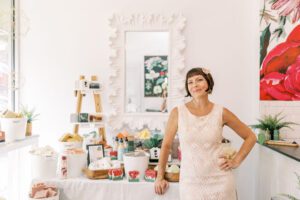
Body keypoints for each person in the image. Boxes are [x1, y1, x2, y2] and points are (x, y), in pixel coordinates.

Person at [154, 67, 257, 200]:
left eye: (199, 80)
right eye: (190, 82)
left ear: (208, 83)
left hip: (221, 182)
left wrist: (236, 161)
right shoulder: (178, 113)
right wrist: (160, 177)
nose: (194, 85)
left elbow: (251, 137)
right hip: (191, 183)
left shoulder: (221, 112)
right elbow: (166, 145)